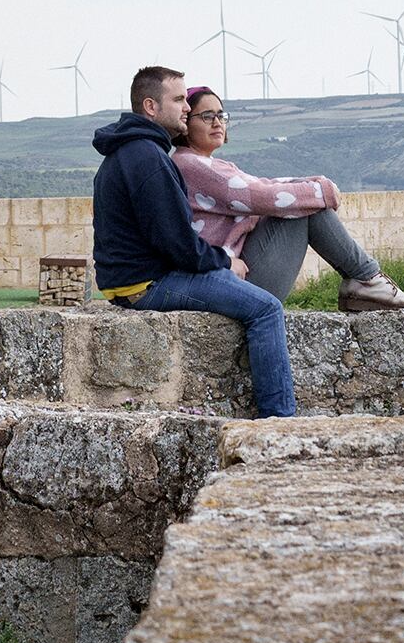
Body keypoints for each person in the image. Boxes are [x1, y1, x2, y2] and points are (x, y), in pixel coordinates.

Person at [91, 63, 299, 416]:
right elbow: (178, 244)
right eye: (178, 100)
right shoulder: (148, 158)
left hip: (127, 282)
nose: (187, 107)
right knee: (266, 309)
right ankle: (278, 419)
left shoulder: (129, 151)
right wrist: (224, 261)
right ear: (150, 106)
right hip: (149, 284)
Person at [174, 88, 404, 309]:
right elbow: (262, 196)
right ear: (186, 124)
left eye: (221, 115)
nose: (217, 122)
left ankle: (366, 280)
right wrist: (322, 192)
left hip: (228, 278)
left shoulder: (209, 164)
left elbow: (262, 185)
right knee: (304, 207)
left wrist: (312, 184)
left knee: (303, 201)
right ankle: (367, 279)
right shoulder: (191, 165)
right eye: (207, 116)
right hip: (228, 284)